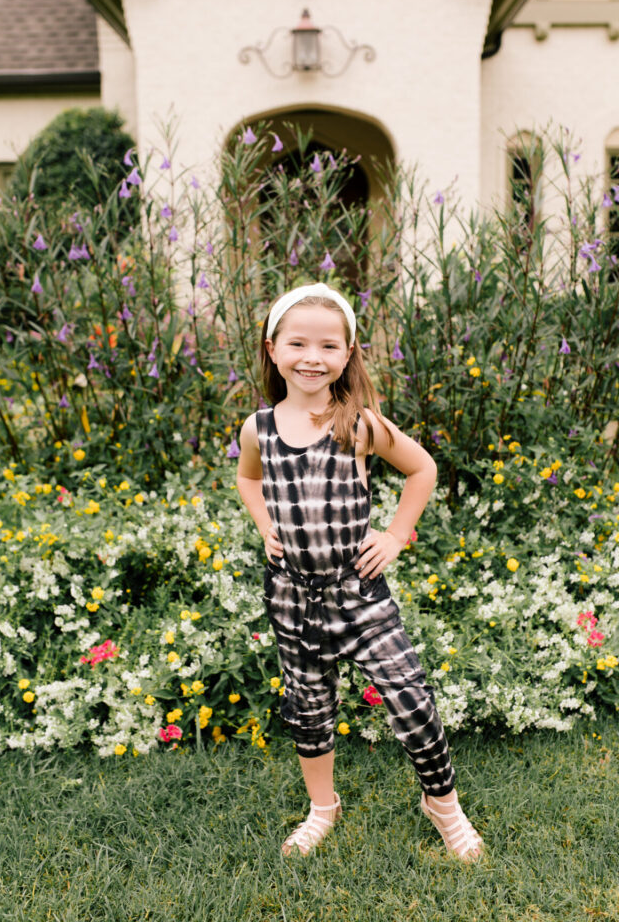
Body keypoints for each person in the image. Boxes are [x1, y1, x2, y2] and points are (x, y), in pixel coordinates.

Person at [236, 281, 483, 861]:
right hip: (292, 597)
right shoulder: (259, 428)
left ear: (347, 354)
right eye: (298, 344)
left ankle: (443, 805)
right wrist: (264, 525)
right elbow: (248, 479)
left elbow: (422, 468)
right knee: (309, 707)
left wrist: (396, 534)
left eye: (328, 346)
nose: (312, 358)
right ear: (273, 349)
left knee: (411, 697)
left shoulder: (358, 423)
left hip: (358, 594)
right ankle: (323, 807)